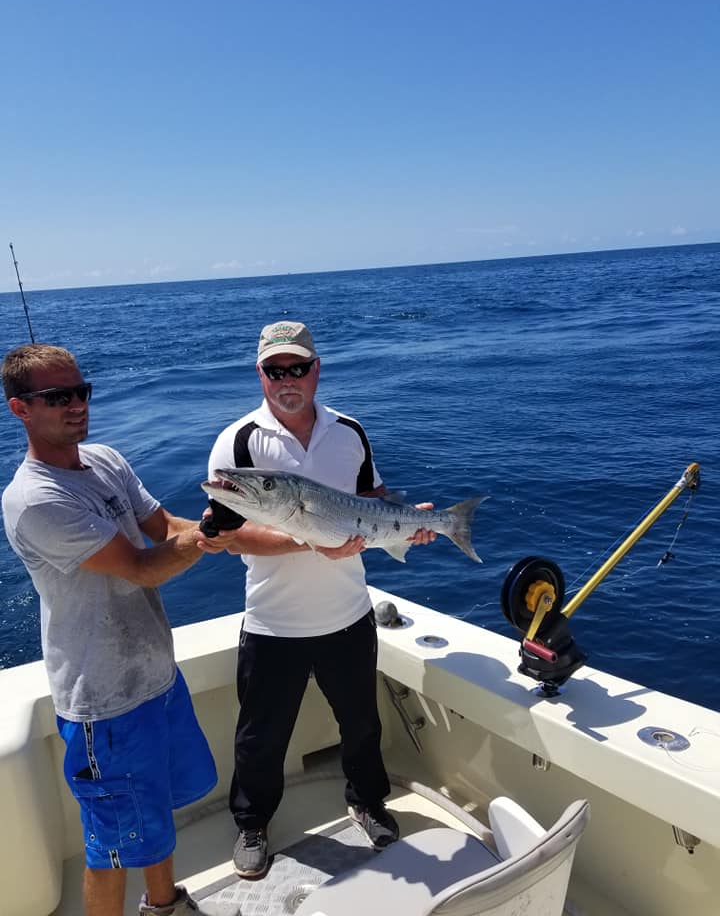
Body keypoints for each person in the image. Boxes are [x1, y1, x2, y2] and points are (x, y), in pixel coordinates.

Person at [198, 320, 435, 879]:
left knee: (362, 724)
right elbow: (225, 535)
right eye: (275, 370)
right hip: (273, 623)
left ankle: (369, 802)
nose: (287, 379)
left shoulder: (349, 431)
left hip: (349, 614)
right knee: (260, 735)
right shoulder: (238, 443)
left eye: (297, 368)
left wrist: (407, 523)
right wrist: (310, 541)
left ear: (315, 369)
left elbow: (369, 498)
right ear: (260, 374)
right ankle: (253, 824)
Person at [1, 343, 230, 916]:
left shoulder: (103, 459)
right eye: (57, 397)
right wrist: (214, 532)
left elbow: (166, 528)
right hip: (104, 704)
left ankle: (165, 905)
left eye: (81, 391)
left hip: (156, 677)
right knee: (111, 848)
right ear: (19, 409)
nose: (76, 405)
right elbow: (142, 566)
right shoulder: (35, 500)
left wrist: (248, 527)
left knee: (151, 822)